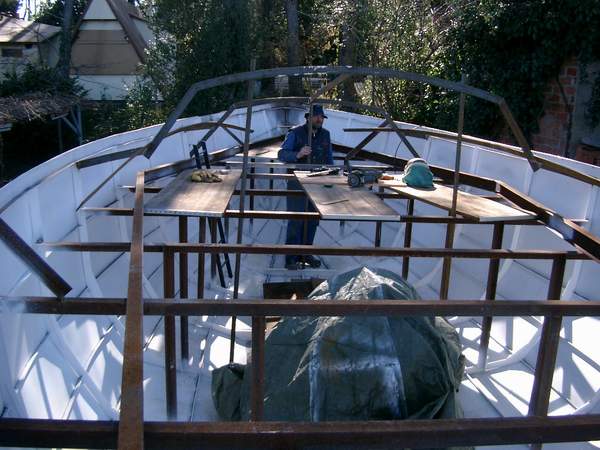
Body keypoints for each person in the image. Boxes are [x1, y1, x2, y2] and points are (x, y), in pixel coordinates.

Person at [278, 104, 333, 270]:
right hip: (297, 183)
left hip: (318, 183)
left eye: (321, 117)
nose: (319, 119)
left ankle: (306, 253)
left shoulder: (326, 135)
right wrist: (299, 154)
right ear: (308, 118)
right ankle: (290, 258)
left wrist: (331, 178)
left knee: (313, 220)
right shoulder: (295, 133)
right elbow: (282, 154)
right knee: (296, 219)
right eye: (316, 116)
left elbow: (329, 159)